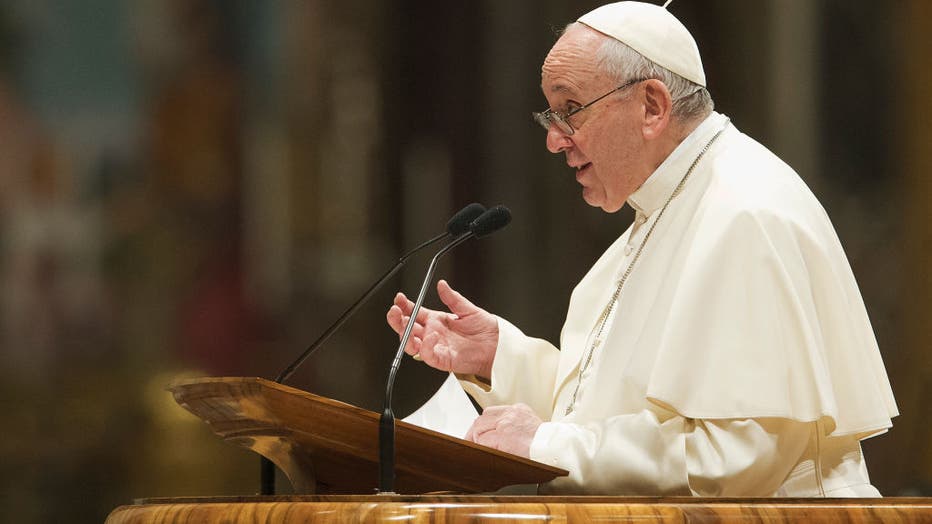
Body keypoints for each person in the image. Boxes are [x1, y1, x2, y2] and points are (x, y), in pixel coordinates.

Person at [386, 1, 897, 496]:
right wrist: (502, 358)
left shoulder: (743, 213)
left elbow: (735, 456)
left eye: (571, 110)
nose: (554, 140)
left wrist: (546, 444)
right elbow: (616, 412)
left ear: (651, 106)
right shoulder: (669, 207)